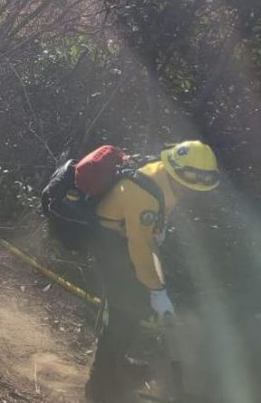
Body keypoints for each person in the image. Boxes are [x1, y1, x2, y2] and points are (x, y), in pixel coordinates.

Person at [85, 141, 220, 403]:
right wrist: (157, 291)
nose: (193, 192)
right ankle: (98, 387)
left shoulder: (163, 176)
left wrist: (157, 283)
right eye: (190, 185)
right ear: (177, 172)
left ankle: (117, 366)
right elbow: (139, 248)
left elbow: (149, 236)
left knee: (136, 308)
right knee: (122, 315)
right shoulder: (143, 195)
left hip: (126, 238)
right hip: (110, 243)